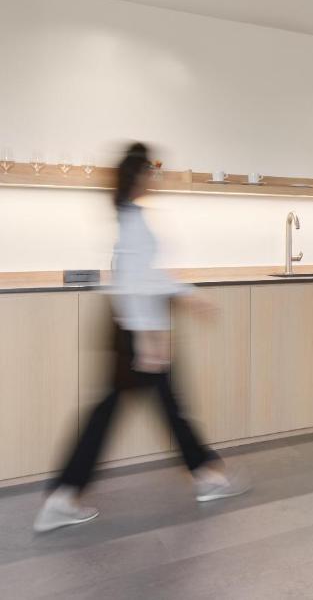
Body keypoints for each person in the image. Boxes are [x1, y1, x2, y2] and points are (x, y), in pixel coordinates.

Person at [34, 142, 248, 533]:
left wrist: (183, 298)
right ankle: (204, 476)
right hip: (135, 329)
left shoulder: (130, 215)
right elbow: (134, 283)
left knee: (139, 407)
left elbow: (142, 277)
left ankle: (66, 495)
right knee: (153, 406)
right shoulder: (133, 220)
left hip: (135, 327)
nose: (156, 176)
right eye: (152, 169)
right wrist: (151, 336)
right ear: (139, 175)